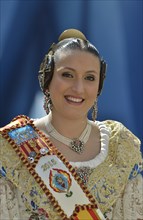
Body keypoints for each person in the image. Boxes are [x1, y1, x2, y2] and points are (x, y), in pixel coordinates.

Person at [0, 29, 143, 220]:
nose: (78, 88)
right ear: (47, 79)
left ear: (99, 86)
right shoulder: (11, 146)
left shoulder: (120, 144)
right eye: (67, 75)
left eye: (90, 78)